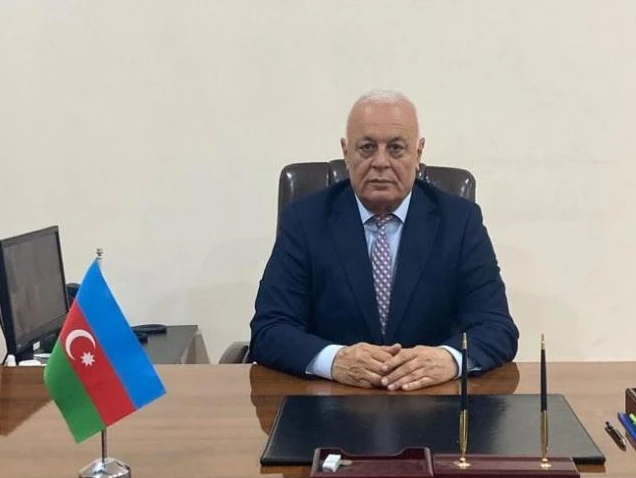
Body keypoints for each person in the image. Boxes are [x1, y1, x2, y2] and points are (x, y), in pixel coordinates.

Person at [249, 89, 518, 391]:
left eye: (396, 148)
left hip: (430, 399)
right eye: (367, 147)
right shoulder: (305, 220)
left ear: (418, 153)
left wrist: (449, 359)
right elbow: (270, 329)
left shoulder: (459, 221)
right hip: (331, 399)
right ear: (346, 152)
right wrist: (333, 360)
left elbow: (497, 328)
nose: (380, 162)